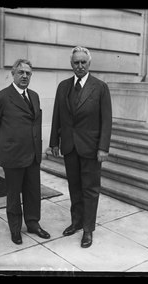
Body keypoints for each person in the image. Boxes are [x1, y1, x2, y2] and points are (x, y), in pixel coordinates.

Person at [49, 46, 112, 248]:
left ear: (89, 63)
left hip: (92, 148)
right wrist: (53, 142)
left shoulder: (100, 87)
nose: (80, 65)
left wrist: (103, 147)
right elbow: (57, 116)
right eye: (76, 62)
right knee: (74, 187)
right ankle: (76, 222)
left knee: (90, 189)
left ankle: (88, 229)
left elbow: (106, 121)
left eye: (83, 62)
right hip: (69, 146)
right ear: (71, 64)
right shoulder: (63, 86)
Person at [0, 59, 50, 245]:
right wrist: (7, 143)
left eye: (28, 73)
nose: (24, 76)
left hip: (33, 154)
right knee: (14, 194)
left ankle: (33, 223)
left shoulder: (35, 96)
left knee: (33, 191)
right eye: (20, 72)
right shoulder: (2, 97)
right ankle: (15, 229)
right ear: (13, 74)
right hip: (13, 154)